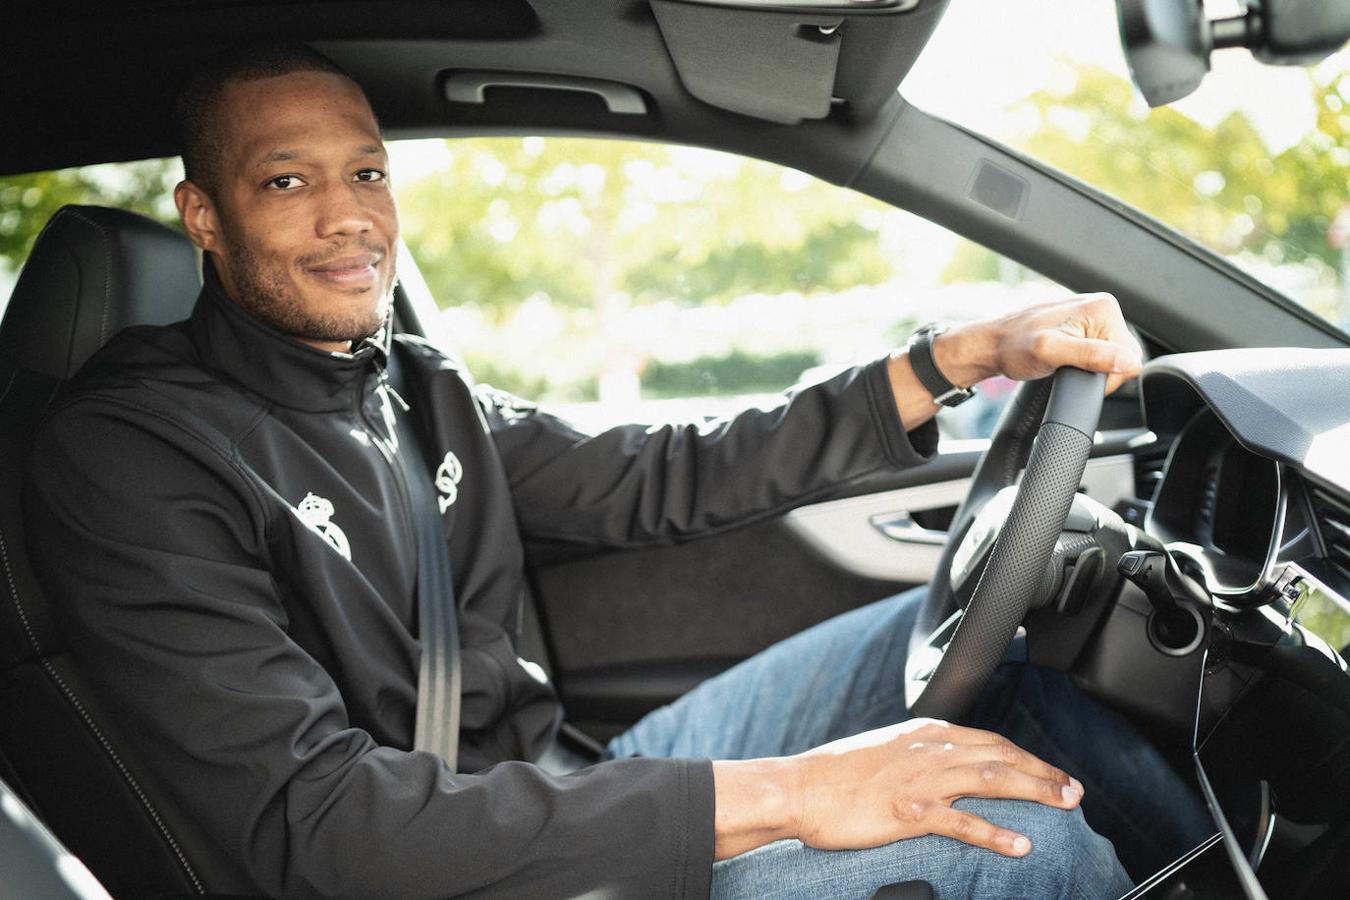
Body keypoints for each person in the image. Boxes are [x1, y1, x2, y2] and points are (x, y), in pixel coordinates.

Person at [23, 43, 1208, 900]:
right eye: (288, 181)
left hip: (569, 790)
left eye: (368, 173)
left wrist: (956, 358)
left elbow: (660, 474)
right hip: (463, 872)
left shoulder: (407, 383)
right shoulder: (131, 456)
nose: (348, 218)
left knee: (996, 664)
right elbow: (324, 825)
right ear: (203, 215)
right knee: (1024, 845)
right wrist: (789, 796)